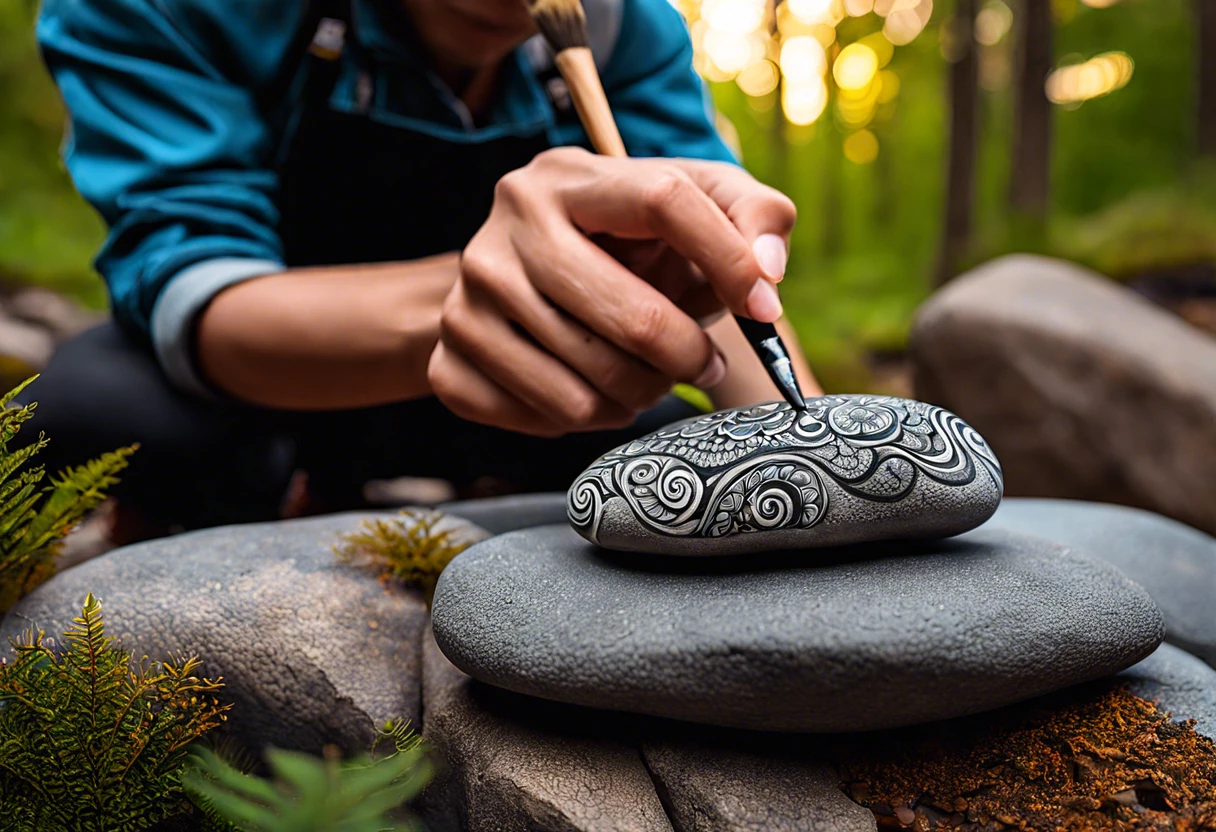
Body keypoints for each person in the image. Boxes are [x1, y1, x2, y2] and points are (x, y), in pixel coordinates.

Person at [29, 0, 819, 538]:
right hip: (272, 391)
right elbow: (195, 283)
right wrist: (478, 295)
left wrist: (816, 455)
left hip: (517, 402)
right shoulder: (170, 10)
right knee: (93, 409)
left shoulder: (618, 24)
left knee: (697, 462)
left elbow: (716, 264)